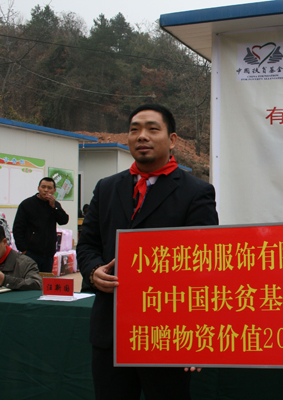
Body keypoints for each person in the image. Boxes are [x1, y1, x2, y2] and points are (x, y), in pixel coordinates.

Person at [77, 104, 218, 400]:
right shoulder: (106, 188)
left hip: (167, 334)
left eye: (153, 129)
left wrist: (196, 336)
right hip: (111, 333)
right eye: (134, 129)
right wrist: (93, 270)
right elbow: (87, 243)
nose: (142, 136)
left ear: (173, 139)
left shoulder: (196, 192)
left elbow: (204, 265)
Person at [13, 177, 69, 272]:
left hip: (48, 254)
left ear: (54, 190)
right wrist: (23, 249)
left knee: (46, 283)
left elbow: (64, 220)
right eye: (43, 187)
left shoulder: (54, 205)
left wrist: (54, 207)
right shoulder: (27, 204)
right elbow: (17, 228)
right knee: (31, 282)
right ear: (38, 188)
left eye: (49, 188)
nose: (46, 190)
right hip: (31, 253)